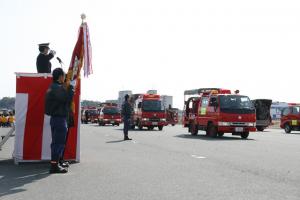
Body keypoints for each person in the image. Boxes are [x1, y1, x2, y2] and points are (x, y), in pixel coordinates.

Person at [45, 68, 75, 174]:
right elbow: (66, 98)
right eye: (63, 76)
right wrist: (71, 88)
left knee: (58, 142)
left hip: (57, 118)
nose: (64, 78)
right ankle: (54, 166)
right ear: (60, 76)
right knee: (58, 143)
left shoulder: (54, 87)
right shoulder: (56, 87)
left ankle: (57, 162)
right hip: (59, 118)